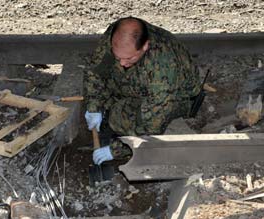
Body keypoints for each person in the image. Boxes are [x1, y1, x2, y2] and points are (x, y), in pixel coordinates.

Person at [83, 17, 201, 165]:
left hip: (178, 97)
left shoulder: (163, 71)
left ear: (145, 46)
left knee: (118, 118)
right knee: (104, 92)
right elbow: (96, 71)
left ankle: (116, 118)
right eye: (118, 56)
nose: (122, 63)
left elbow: (152, 127)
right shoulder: (118, 35)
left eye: (128, 58)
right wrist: (94, 106)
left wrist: (116, 150)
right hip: (143, 81)